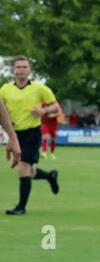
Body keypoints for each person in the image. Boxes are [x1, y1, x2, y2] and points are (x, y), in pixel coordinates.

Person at [1, 57, 61, 216]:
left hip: (32, 133)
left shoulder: (40, 88)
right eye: (18, 67)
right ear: (13, 69)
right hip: (15, 134)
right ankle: (50, 176)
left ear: (29, 70)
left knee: (22, 168)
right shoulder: (5, 89)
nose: (21, 69)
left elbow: (56, 107)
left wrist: (44, 111)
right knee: (29, 171)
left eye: (24, 67)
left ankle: (21, 207)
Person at [40, 95, 63, 160]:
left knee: (53, 139)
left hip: (54, 124)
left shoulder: (55, 103)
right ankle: (44, 153)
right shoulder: (43, 104)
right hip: (46, 124)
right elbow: (41, 111)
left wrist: (53, 115)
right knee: (45, 137)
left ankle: (52, 153)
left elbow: (60, 112)